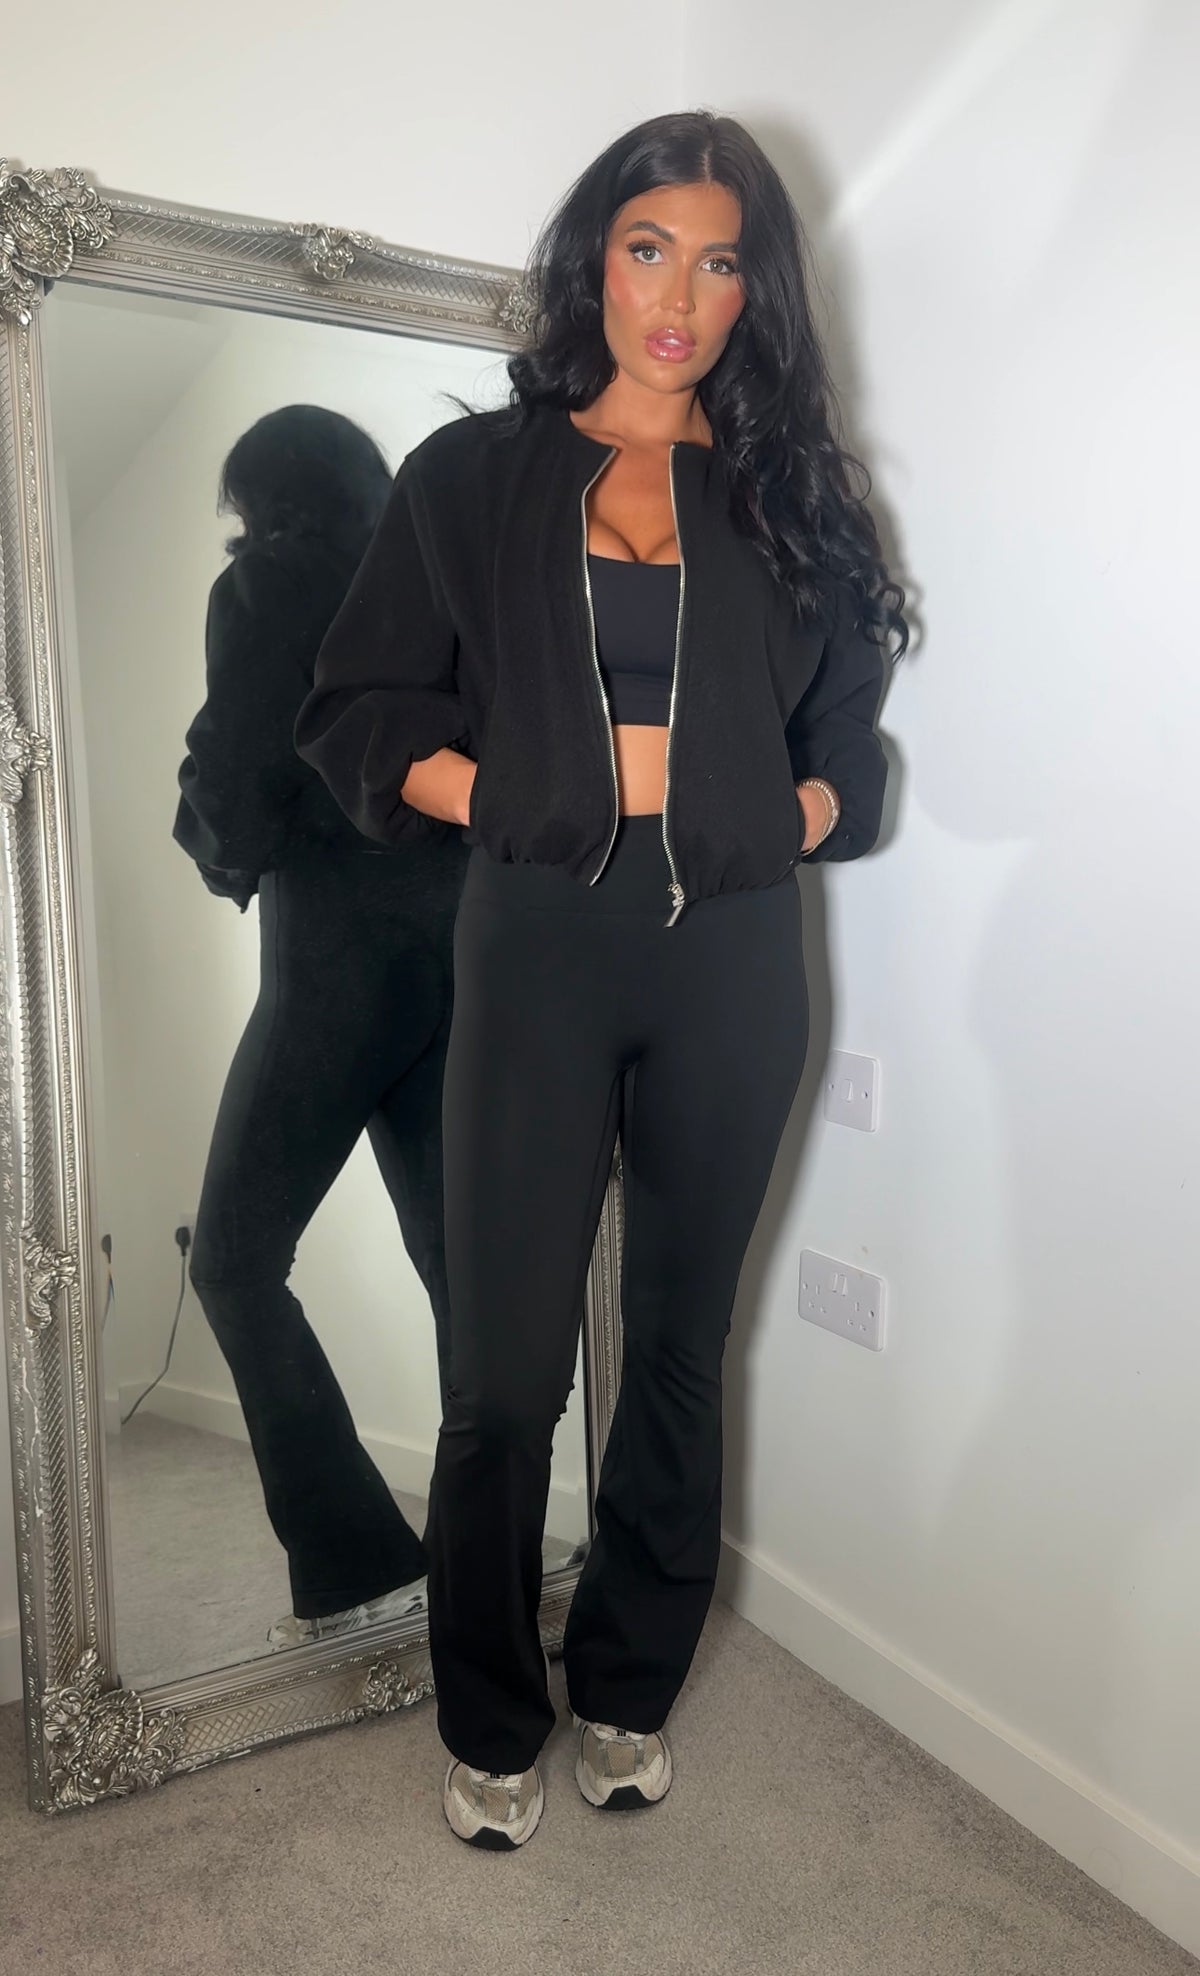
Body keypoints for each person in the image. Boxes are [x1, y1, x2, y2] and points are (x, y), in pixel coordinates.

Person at [296, 109, 906, 1848]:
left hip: (733, 957)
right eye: (650, 250)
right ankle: (490, 1712)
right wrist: (506, 796)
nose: (680, 297)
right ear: (598, 260)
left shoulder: (793, 500)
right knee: (502, 1374)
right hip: (540, 943)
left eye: (721, 262)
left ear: (756, 291)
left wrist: (777, 813)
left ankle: (627, 1689)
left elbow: (849, 755)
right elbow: (357, 713)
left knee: (681, 1348)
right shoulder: (475, 479)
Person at [174, 405, 470, 1649]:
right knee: (465, 1272)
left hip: (337, 954)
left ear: (264, 495)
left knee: (233, 1258)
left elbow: (237, 770)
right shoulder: (435, 578)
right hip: (461, 948)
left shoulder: (271, 582)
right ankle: (485, 1560)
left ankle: (356, 1561)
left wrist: (216, 845)